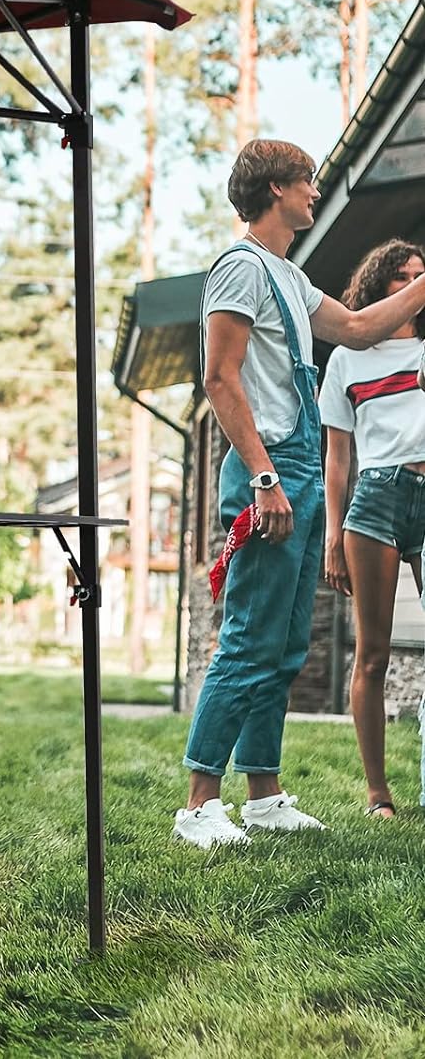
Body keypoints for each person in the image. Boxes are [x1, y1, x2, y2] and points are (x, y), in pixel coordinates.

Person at [174, 140, 425, 849]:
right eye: (308, 182)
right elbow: (220, 379)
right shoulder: (240, 267)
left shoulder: (286, 273)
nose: (317, 193)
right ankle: (199, 804)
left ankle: (263, 795)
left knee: (285, 647)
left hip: (304, 470)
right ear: (276, 188)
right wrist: (263, 478)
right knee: (250, 638)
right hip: (270, 466)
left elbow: (355, 326)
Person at [320, 240, 425, 820]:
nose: (413, 286)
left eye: (421, 277)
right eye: (401, 277)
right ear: (379, 285)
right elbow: (338, 456)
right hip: (377, 501)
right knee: (373, 656)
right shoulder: (349, 356)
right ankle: (378, 794)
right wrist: (333, 535)